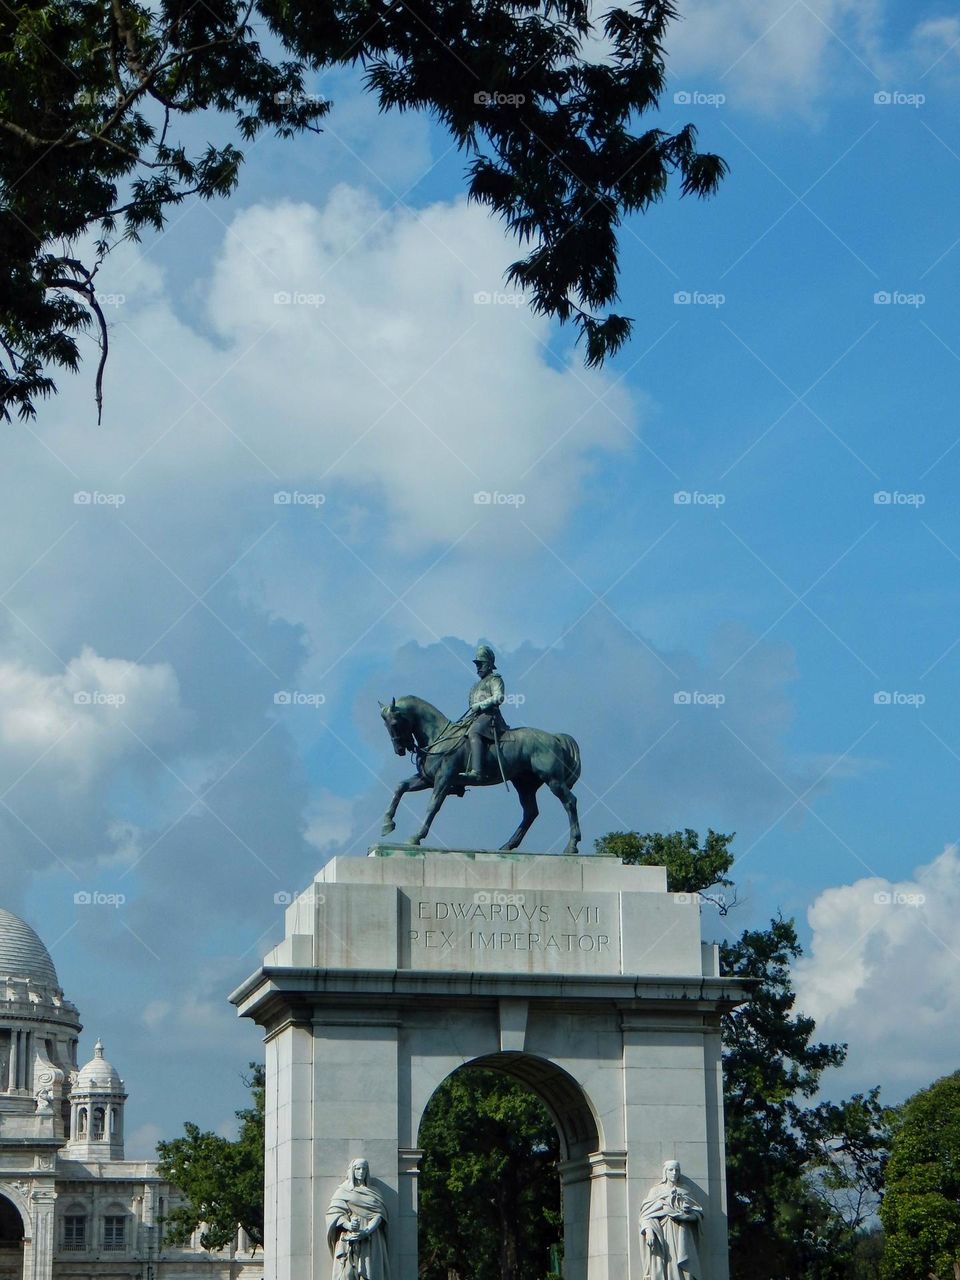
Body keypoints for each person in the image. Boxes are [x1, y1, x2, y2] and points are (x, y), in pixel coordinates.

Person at [638, 1159, 704, 1280]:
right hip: (663, 1235)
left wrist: (686, 1215)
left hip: (682, 1234)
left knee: (683, 1268)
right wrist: (648, 1231)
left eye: (677, 1170)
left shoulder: (685, 1190)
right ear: (665, 1172)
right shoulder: (656, 1191)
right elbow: (645, 1215)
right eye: (671, 1170)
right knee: (665, 1264)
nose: (674, 1173)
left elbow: (698, 1214)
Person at [326, 1158, 389, 1280]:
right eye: (358, 1169)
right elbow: (334, 1213)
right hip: (349, 1237)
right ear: (352, 1171)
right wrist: (348, 1225)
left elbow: (379, 1215)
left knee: (368, 1272)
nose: (361, 1172)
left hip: (370, 1238)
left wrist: (365, 1232)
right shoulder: (342, 1191)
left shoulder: (374, 1192)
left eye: (364, 1169)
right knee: (347, 1274)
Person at [460, 643, 508, 781]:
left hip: (490, 717)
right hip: (475, 717)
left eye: (481, 664)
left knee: (474, 732)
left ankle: (477, 771)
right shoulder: (476, 685)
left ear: (489, 664)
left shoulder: (495, 679)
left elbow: (499, 697)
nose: (478, 667)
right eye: (477, 664)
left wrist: (480, 705)